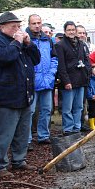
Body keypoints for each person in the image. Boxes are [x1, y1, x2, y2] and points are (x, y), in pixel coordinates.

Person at [0, 12, 41, 177]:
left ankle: (19, 160)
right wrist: (17, 42)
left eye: (18, 26)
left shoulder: (22, 43)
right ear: (2, 27)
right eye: (13, 26)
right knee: (4, 134)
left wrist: (29, 44)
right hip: (6, 97)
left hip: (24, 95)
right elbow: (5, 58)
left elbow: (36, 59)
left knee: (22, 132)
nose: (17, 30)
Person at [26, 14, 58, 144]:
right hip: (32, 82)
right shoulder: (25, 39)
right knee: (30, 112)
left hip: (47, 80)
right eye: (34, 23)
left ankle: (43, 135)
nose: (37, 25)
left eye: (38, 23)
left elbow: (54, 58)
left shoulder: (47, 40)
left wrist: (52, 74)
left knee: (46, 110)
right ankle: (27, 139)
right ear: (29, 24)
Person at [55, 21, 90, 134]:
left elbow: (86, 59)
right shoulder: (60, 45)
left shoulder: (81, 43)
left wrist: (87, 71)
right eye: (69, 30)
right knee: (67, 107)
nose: (71, 32)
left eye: (73, 30)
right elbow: (61, 65)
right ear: (65, 31)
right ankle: (68, 128)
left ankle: (77, 127)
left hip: (81, 79)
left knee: (79, 106)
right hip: (68, 80)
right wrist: (66, 81)